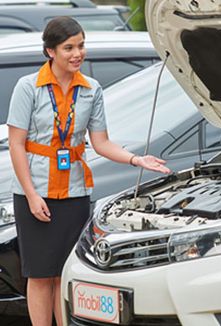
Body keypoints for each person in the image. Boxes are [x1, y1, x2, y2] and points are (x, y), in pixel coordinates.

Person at [7, 16, 170, 326]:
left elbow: (102, 142)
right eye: (69, 47)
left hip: (75, 192)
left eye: (81, 46)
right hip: (35, 192)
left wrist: (136, 160)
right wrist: (30, 195)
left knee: (66, 271)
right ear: (50, 52)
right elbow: (16, 145)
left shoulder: (91, 89)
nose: (77, 53)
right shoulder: (28, 87)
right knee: (41, 273)